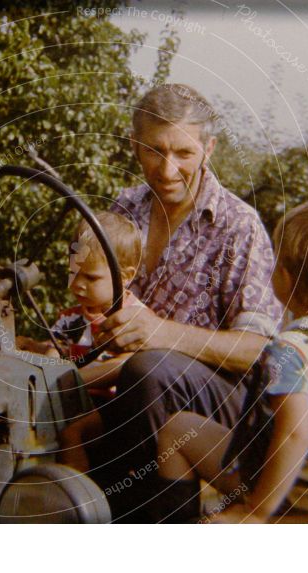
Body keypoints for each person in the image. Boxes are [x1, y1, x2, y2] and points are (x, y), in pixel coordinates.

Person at [94, 83, 283, 520]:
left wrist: (162, 334)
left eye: (183, 153)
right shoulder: (123, 208)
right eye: (153, 151)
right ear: (134, 145)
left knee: (150, 369)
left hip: (217, 408)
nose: (166, 169)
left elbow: (257, 352)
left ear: (208, 147)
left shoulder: (238, 226)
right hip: (127, 388)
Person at [156, 199, 308, 523]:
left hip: (282, 491)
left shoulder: (288, 350)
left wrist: (255, 513)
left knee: (174, 433)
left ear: (284, 277)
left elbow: (294, 434)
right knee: (181, 426)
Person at [16, 211, 144, 472]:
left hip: (114, 407)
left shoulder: (132, 319)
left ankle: (75, 497)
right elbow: (58, 349)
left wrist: (73, 379)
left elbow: (129, 364)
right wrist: (34, 347)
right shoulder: (70, 318)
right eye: (73, 273)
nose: (78, 285)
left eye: (91, 277)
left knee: (70, 431)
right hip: (71, 399)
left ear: (125, 276)